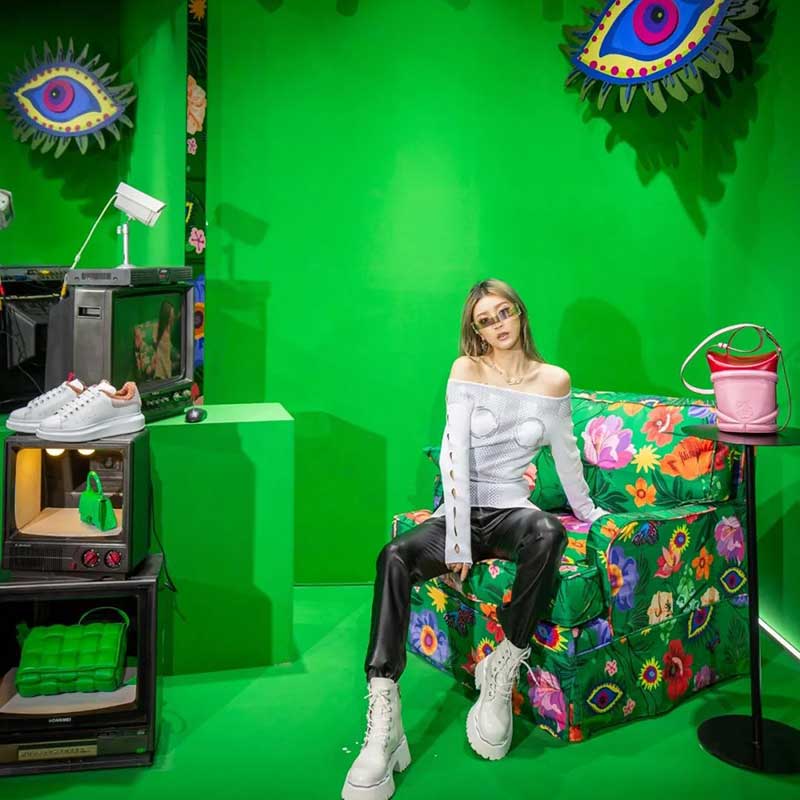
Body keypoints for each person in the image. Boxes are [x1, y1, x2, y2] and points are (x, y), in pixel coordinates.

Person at [342, 279, 608, 800]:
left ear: (520, 313)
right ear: (476, 331)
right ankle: (384, 718)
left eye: (504, 312)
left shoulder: (553, 381)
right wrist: (459, 539)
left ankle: (503, 664)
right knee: (393, 556)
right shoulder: (467, 370)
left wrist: (591, 514)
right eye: (485, 320)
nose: (498, 325)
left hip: (511, 512)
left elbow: (566, 456)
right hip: (461, 512)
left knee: (548, 531)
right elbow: (452, 455)